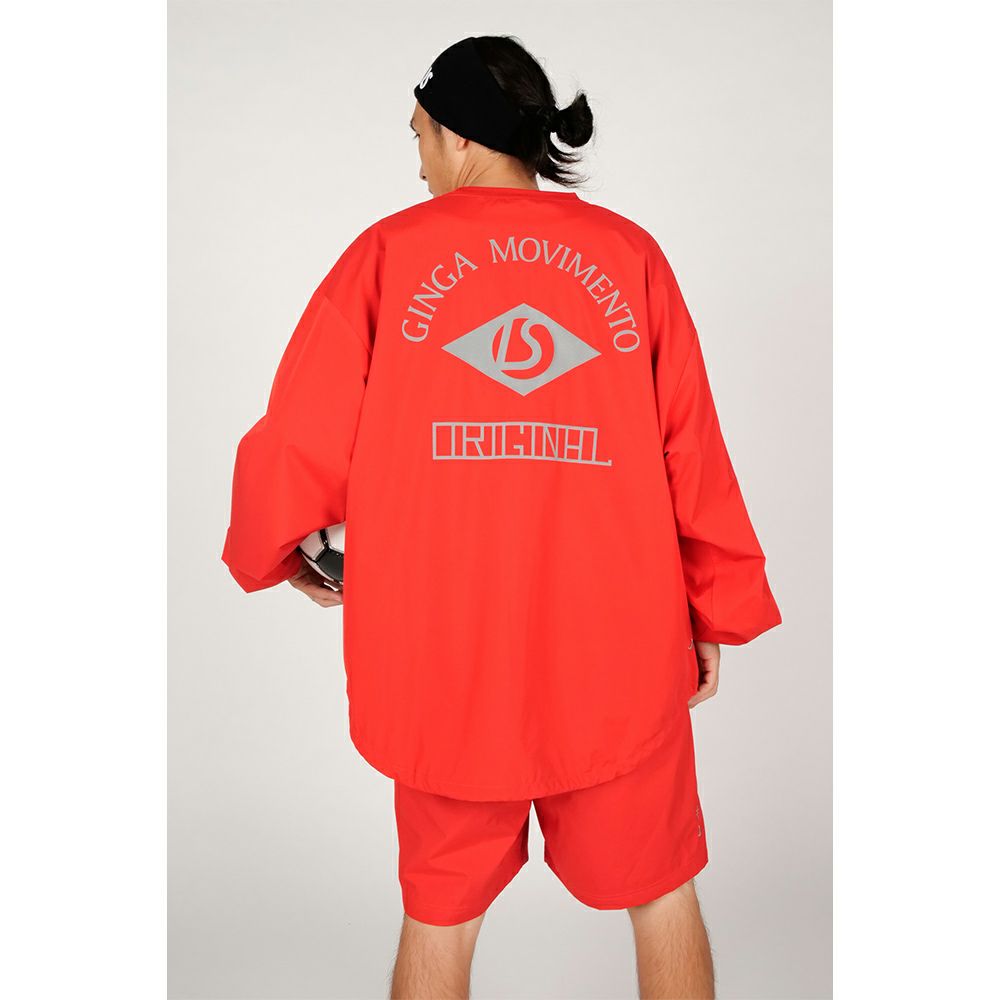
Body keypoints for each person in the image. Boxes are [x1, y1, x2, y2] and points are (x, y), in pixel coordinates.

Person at [221, 33, 781, 1000]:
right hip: (617, 652)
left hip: (443, 662)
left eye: (419, 135)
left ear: (461, 136)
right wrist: (710, 606)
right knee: (663, 897)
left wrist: (281, 554)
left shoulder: (389, 255)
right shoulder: (629, 256)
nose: (418, 161)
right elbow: (691, 450)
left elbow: (301, 431)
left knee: (439, 914)